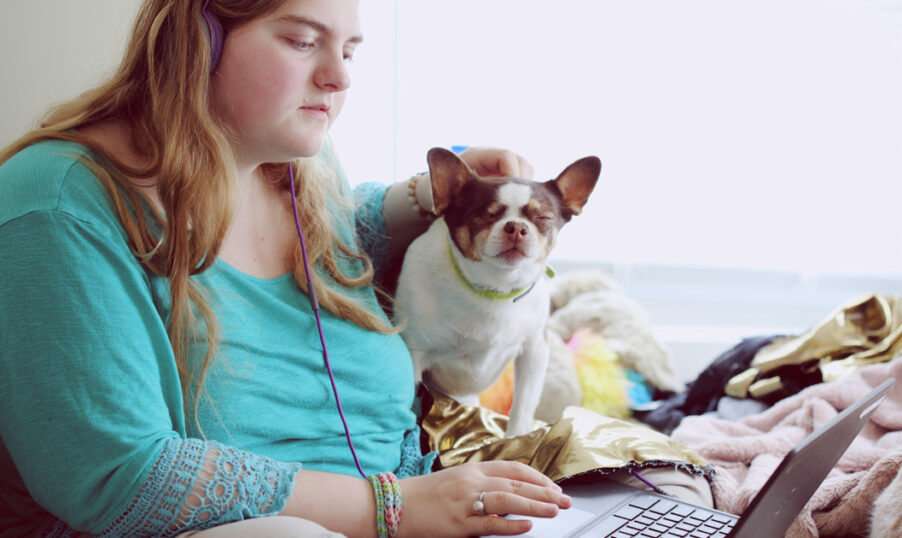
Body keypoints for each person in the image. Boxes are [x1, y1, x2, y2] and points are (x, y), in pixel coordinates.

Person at [0, 0, 569, 536]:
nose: (340, 79)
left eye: (349, 52)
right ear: (199, 40)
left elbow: (341, 248)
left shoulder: (297, 160)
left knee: (636, 479)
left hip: (420, 498)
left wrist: (428, 195)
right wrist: (399, 508)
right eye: (302, 41)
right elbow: (119, 473)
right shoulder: (57, 207)